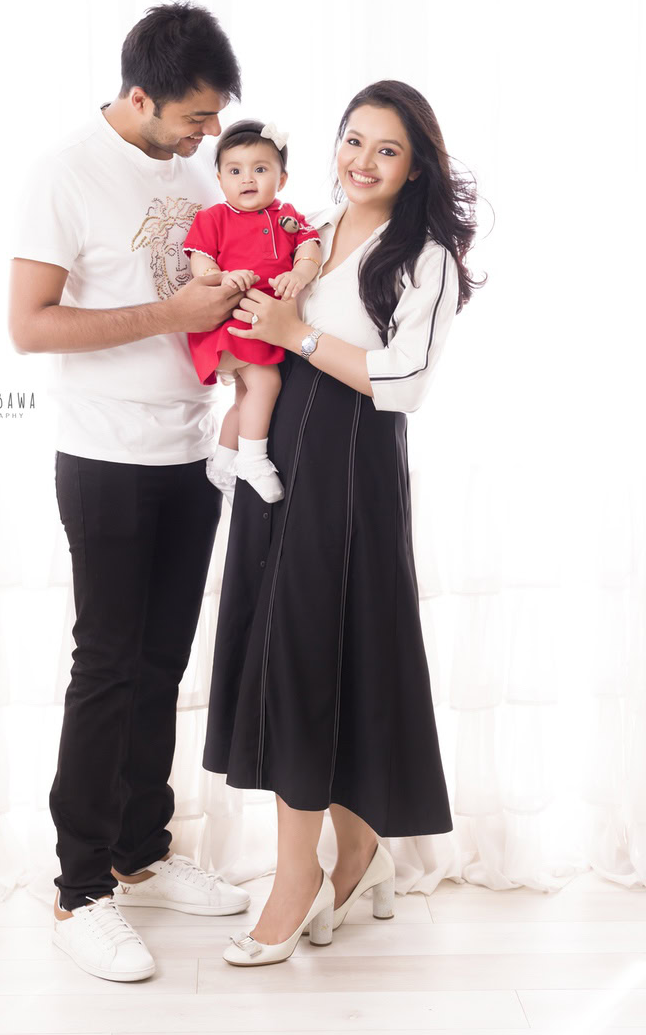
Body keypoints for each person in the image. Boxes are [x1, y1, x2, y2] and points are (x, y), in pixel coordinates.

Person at [201, 80, 484, 967]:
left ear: (415, 165)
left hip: (352, 455)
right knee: (312, 640)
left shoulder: (423, 251)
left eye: (386, 149)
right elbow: (270, 332)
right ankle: (358, 854)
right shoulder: (318, 229)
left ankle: (305, 874)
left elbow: (403, 381)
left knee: (317, 645)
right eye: (352, 140)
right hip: (286, 443)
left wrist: (295, 332)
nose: (361, 161)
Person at [8, 2, 252, 984]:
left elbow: (194, 309)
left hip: (187, 454)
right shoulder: (62, 171)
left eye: (213, 119)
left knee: (160, 663)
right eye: (194, 116)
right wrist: (170, 310)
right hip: (103, 457)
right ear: (139, 95)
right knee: (106, 667)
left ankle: (138, 851)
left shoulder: (192, 171)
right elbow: (29, 326)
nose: (207, 137)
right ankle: (77, 888)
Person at [183, 119, 321, 504]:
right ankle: (254, 460)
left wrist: (300, 271)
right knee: (267, 384)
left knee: (246, 399)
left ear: (282, 178)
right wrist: (224, 276)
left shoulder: (286, 215)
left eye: (261, 169)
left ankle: (222, 461)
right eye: (235, 170)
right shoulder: (213, 218)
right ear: (220, 178)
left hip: (266, 324)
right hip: (235, 323)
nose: (248, 179)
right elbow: (202, 264)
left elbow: (310, 246)